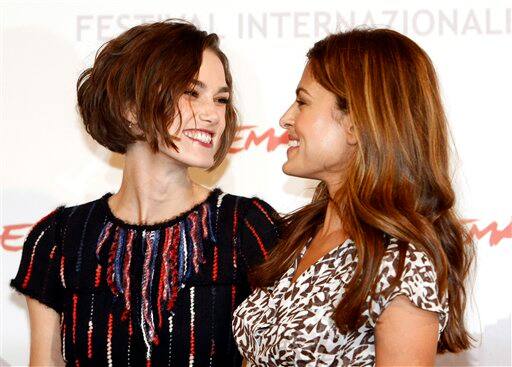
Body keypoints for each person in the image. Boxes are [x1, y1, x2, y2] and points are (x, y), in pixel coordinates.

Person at [11, 19, 277, 367]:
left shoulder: (248, 228)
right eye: (191, 92)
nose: (212, 114)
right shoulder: (60, 239)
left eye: (221, 99)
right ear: (130, 107)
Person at [233, 28, 475, 366]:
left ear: (356, 122)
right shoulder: (297, 235)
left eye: (302, 102)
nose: (286, 118)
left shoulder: (402, 263)